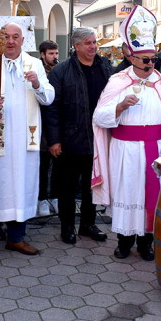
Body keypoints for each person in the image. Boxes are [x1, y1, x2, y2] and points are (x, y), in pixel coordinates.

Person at [92, 5, 161, 261]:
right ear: (132, 58)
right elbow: (98, 117)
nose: (151, 63)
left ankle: (146, 243)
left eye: (153, 59)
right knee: (128, 192)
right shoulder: (118, 81)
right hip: (126, 151)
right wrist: (119, 107)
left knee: (151, 196)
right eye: (146, 60)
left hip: (155, 149)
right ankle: (123, 242)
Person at [0, 22, 55, 260]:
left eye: (15, 36)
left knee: (22, 186)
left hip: (24, 140)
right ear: (0, 38)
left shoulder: (35, 64)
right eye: (5, 36)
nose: (10, 41)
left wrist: (37, 83)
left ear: (22, 39)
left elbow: (49, 97)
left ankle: (16, 237)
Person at [45, 28, 111, 245]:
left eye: (94, 42)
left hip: (98, 138)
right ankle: (67, 226)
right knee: (68, 186)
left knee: (92, 186)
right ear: (76, 46)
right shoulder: (62, 71)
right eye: (87, 43)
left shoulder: (105, 68)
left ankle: (87, 224)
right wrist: (54, 140)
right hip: (69, 139)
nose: (93, 46)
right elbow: (52, 108)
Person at [37, 40, 60, 216]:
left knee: (59, 166)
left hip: (58, 125)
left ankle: (55, 197)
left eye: (56, 53)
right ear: (43, 55)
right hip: (41, 126)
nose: (55, 57)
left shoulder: (60, 71)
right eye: (51, 54)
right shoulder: (39, 71)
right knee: (43, 165)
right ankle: (42, 198)